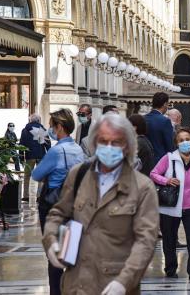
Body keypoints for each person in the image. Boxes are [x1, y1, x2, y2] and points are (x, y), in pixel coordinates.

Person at [41, 113, 159, 295]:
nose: (109, 147)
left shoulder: (142, 187)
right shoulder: (78, 175)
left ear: (127, 146)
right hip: (76, 285)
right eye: (103, 141)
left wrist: (124, 282)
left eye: (116, 142)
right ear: (95, 143)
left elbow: (146, 242)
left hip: (113, 286)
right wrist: (51, 242)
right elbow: (58, 213)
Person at [32, 108, 85, 295]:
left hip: (54, 206)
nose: (50, 129)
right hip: (74, 204)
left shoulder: (57, 151)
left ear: (60, 127)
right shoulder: (78, 149)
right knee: (70, 253)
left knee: (54, 255)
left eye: (52, 126)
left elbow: (36, 175)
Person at [150, 128, 190, 281]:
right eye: (181, 140)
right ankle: (170, 268)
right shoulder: (168, 159)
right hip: (170, 207)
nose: (184, 142)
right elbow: (153, 173)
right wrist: (166, 180)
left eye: (187, 139)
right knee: (169, 239)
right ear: (176, 143)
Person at [19, 114, 51, 201]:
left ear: (30, 120)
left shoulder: (25, 130)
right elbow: (47, 144)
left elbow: (21, 145)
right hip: (41, 155)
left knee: (27, 176)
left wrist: (21, 157)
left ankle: (26, 196)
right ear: (39, 120)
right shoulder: (41, 129)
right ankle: (39, 196)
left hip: (29, 156)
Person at [145, 92, 174, 164]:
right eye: (168, 104)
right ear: (164, 104)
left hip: (145, 161)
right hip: (160, 161)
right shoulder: (165, 121)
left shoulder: (143, 118)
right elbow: (169, 145)